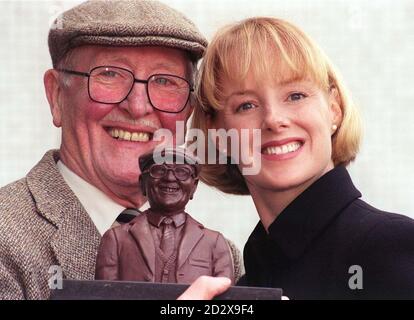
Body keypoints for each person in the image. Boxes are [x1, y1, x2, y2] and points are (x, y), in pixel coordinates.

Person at [0, 0, 243, 300]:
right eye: (110, 74)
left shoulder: (223, 253)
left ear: (188, 112)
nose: (138, 107)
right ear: (57, 96)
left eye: (165, 81)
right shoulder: (5, 235)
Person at [188, 17, 414, 299]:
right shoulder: (241, 287)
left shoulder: (390, 246)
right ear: (217, 134)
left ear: (334, 110)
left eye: (295, 95)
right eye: (246, 105)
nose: (273, 119)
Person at [95, 148, 235, 284]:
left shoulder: (214, 243)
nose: (169, 178)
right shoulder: (116, 239)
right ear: (143, 183)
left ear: (194, 186)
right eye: (159, 170)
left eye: (182, 172)